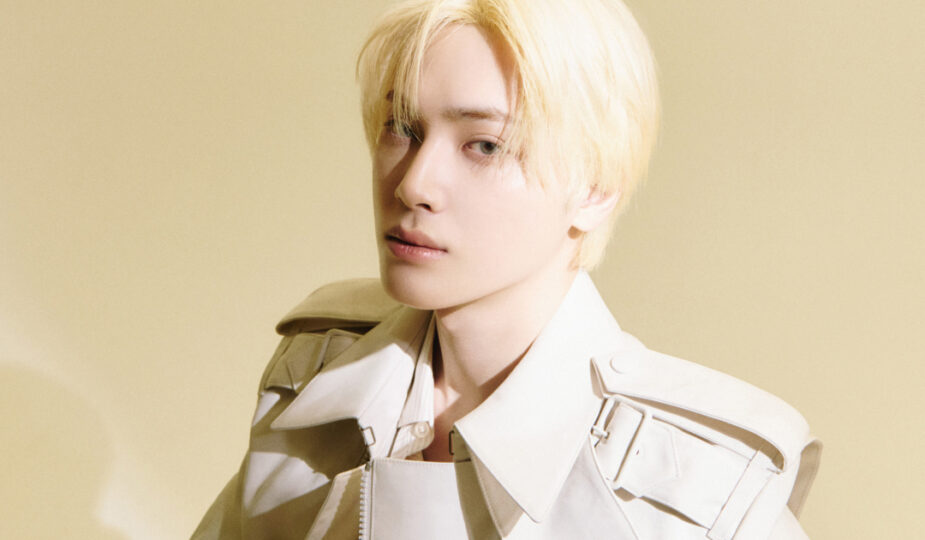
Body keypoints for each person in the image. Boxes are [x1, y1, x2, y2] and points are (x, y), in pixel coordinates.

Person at [193, 0, 820, 538]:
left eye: (485, 145)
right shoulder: (315, 378)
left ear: (595, 188)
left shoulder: (708, 487)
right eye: (402, 127)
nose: (413, 184)